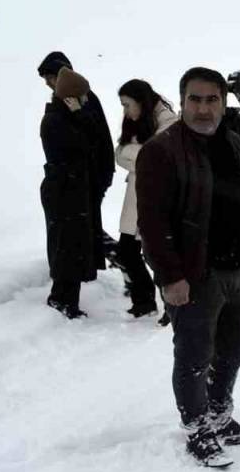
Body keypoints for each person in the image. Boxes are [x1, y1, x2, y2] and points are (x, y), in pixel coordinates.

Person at [136, 66, 240, 468]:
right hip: (194, 275)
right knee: (194, 356)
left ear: (223, 101)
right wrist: (170, 277)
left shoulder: (234, 142)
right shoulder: (161, 151)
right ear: (182, 102)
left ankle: (220, 415)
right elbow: (151, 222)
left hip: (236, 270)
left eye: (211, 100)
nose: (203, 109)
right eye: (194, 100)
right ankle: (198, 428)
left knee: (237, 344)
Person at [37, 52, 118, 271]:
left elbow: (95, 138)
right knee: (85, 223)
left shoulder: (82, 97)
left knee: (86, 223)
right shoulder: (70, 99)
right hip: (85, 175)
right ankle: (117, 258)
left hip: (93, 173)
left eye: (50, 78)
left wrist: (100, 174)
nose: (48, 84)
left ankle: (120, 258)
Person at [39, 67, 103, 318]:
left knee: (74, 247)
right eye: (82, 97)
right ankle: (61, 299)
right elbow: (86, 145)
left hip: (72, 190)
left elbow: (92, 142)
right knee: (66, 247)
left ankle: (68, 300)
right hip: (62, 192)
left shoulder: (65, 118)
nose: (86, 101)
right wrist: (80, 117)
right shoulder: (55, 121)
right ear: (70, 97)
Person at [114, 79, 178, 318]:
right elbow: (118, 154)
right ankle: (143, 302)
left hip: (158, 199)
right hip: (135, 197)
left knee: (158, 254)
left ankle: (170, 306)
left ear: (141, 101)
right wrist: (141, 158)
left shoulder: (168, 121)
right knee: (127, 251)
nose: (125, 111)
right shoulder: (137, 122)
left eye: (127, 105)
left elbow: (157, 159)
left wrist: (140, 158)